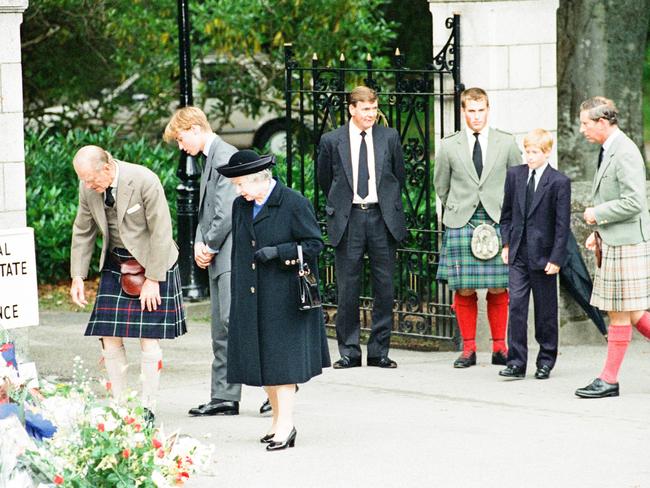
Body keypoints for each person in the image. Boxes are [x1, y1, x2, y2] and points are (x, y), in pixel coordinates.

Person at [218, 149, 331, 451]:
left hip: (284, 296)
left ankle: (287, 425)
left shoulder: (293, 202)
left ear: (259, 179)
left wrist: (279, 253)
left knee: (283, 365)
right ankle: (276, 422)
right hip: (252, 295)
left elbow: (315, 245)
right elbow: (239, 252)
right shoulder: (241, 206)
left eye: (241, 184)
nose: (238, 190)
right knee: (264, 362)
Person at [69, 145, 186, 418]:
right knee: (108, 337)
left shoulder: (144, 180)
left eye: (90, 178)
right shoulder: (88, 188)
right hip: (116, 263)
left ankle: (148, 407)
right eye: (83, 179)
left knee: (148, 339)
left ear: (107, 168)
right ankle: (120, 407)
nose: (87, 185)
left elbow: (161, 231)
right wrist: (78, 275)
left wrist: (153, 279)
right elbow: (83, 230)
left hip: (153, 262)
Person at [317, 86, 406, 369]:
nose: (371, 114)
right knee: (347, 287)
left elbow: (398, 176)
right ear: (352, 109)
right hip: (349, 218)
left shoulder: (389, 137)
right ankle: (350, 352)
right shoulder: (332, 140)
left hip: (381, 218)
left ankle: (379, 351)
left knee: (384, 286)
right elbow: (324, 179)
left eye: (374, 108)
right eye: (365, 109)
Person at [163, 106, 244, 417]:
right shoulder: (213, 157)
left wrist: (206, 244)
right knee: (221, 328)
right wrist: (199, 241)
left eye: (182, 139)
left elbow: (225, 211)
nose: (182, 147)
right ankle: (224, 396)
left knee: (233, 324)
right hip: (218, 252)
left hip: (229, 252)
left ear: (195, 128)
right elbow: (206, 210)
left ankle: (274, 385)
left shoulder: (224, 155)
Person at [434, 87, 521, 368]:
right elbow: (441, 186)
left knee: (499, 286)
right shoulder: (448, 145)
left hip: (497, 219)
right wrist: (458, 210)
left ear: (488, 109)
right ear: (463, 112)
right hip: (462, 221)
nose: (476, 117)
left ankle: (500, 348)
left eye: (480, 110)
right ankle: (469, 349)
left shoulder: (506, 143)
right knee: (464, 289)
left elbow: (517, 184)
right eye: (470, 111)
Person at [574, 96, 650, 398]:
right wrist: (600, 233)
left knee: (619, 313)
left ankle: (608, 380)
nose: (582, 130)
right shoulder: (611, 149)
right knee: (631, 314)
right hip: (617, 240)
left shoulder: (625, 152)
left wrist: (597, 215)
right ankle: (608, 379)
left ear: (602, 123)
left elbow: (634, 202)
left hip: (627, 244)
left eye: (585, 124)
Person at [498, 129, 571, 380]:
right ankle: (516, 361)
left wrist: (556, 258)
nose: (529, 157)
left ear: (547, 152)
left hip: (544, 256)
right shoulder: (515, 175)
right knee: (516, 307)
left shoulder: (559, 182)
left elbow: (562, 226)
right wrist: (506, 244)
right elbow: (506, 214)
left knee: (546, 311)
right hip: (518, 252)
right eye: (527, 151)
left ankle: (546, 360)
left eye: (535, 152)